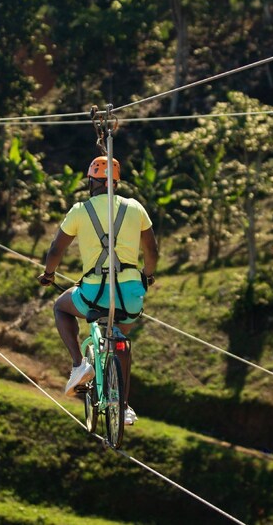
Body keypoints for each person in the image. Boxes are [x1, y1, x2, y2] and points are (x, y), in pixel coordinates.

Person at [38, 156, 159, 424]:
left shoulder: (80, 210)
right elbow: (152, 250)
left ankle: (79, 364)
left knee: (61, 306)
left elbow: (56, 249)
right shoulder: (135, 207)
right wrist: (148, 276)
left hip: (94, 291)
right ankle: (124, 406)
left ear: (92, 181)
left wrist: (49, 274)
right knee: (120, 344)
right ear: (115, 182)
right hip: (130, 296)